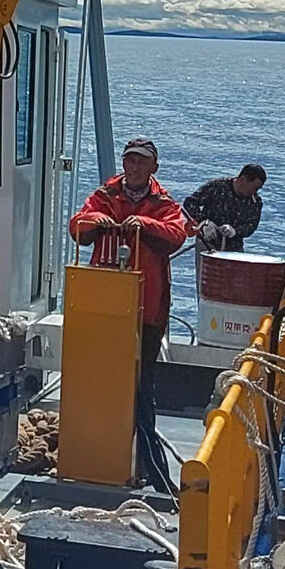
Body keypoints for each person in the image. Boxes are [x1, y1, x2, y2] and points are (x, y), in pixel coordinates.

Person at [70, 136, 191, 491]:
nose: (134, 167)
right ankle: (95, 459)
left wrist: (143, 224)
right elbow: (77, 225)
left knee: (140, 390)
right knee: (97, 383)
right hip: (102, 309)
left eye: (141, 162)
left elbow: (176, 234)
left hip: (146, 311)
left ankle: (152, 471)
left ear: (153, 167)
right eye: (130, 161)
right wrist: (98, 219)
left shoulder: (164, 201)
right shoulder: (105, 194)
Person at [184, 163, 267, 251]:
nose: (255, 192)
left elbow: (251, 225)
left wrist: (235, 231)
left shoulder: (255, 202)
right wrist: (204, 222)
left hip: (234, 248)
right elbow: (190, 203)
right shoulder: (217, 186)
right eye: (254, 188)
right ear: (243, 179)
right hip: (207, 241)